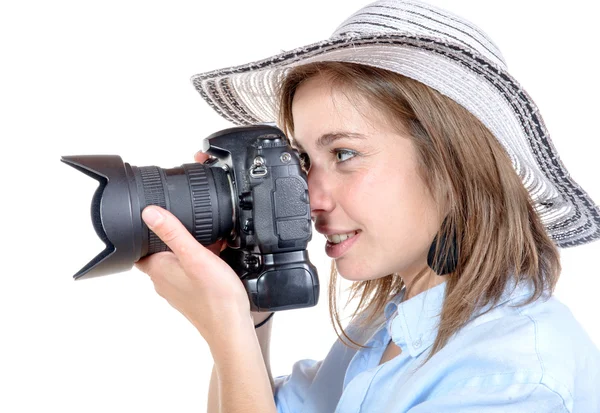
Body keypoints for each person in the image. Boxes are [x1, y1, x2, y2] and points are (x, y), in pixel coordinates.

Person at [135, 0, 600, 412]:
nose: (311, 199)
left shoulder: (509, 374)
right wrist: (249, 309)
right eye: (302, 162)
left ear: (453, 166)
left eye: (343, 154)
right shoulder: (387, 328)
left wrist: (227, 332)